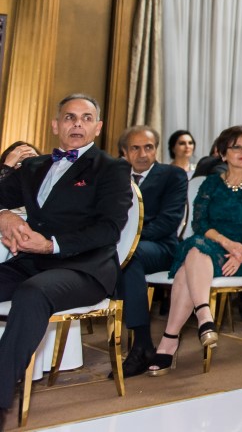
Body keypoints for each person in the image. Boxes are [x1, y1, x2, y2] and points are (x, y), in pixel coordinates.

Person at [0, 94, 131, 425]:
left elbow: (109, 229)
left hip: (84, 269)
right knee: (30, 284)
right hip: (31, 264)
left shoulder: (112, 169)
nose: (78, 124)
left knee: (33, 293)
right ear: (56, 125)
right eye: (70, 117)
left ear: (98, 127)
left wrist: (51, 245)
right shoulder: (33, 166)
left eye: (86, 118)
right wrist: (4, 215)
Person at [147, 125, 242, 376]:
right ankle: (203, 315)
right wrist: (228, 244)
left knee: (187, 265)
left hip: (241, 256)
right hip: (214, 243)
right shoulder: (211, 184)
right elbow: (200, 224)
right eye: (236, 147)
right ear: (223, 154)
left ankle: (171, 339)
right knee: (196, 247)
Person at [112, 126, 188, 377]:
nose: (143, 154)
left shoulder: (172, 175)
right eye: (135, 148)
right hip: (118, 247)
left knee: (127, 259)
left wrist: (125, 242)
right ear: (124, 152)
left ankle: (142, 343)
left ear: (156, 149)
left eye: (149, 147)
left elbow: (168, 222)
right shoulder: (115, 176)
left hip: (161, 246)